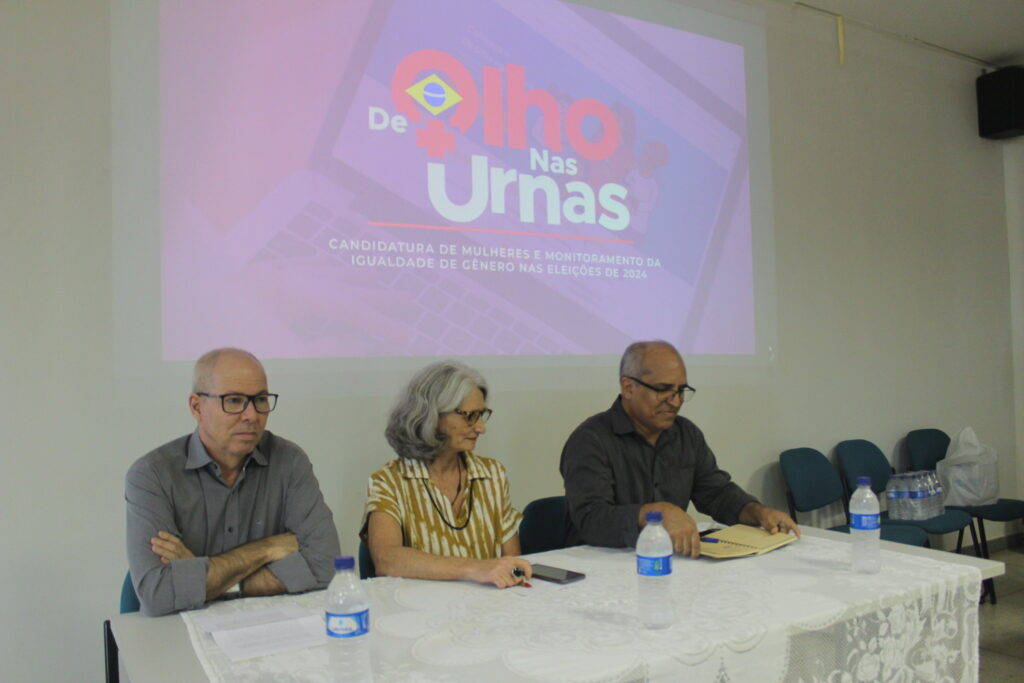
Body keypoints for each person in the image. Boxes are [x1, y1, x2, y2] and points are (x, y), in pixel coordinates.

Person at [125, 348, 340, 616]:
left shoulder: (289, 461)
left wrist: (204, 578)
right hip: (179, 634)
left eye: (260, 400)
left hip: (272, 626)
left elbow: (327, 567)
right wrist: (267, 549)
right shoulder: (152, 476)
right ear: (196, 407)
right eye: (234, 400)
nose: (251, 415)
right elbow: (160, 593)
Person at [560, 340, 799, 557]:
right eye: (663, 389)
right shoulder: (591, 440)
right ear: (628, 387)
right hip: (599, 567)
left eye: (680, 391)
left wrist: (757, 512)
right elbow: (592, 520)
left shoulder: (686, 434)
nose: (675, 401)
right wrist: (654, 513)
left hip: (668, 563)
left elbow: (716, 493)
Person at [361, 361, 530, 588]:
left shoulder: (492, 474)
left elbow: (511, 561)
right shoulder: (389, 481)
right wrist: (475, 568)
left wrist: (517, 572)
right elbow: (387, 560)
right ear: (433, 416)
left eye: (482, 415)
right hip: (421, 612)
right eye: (470, 416)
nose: (481, 428)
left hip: (487, 606)